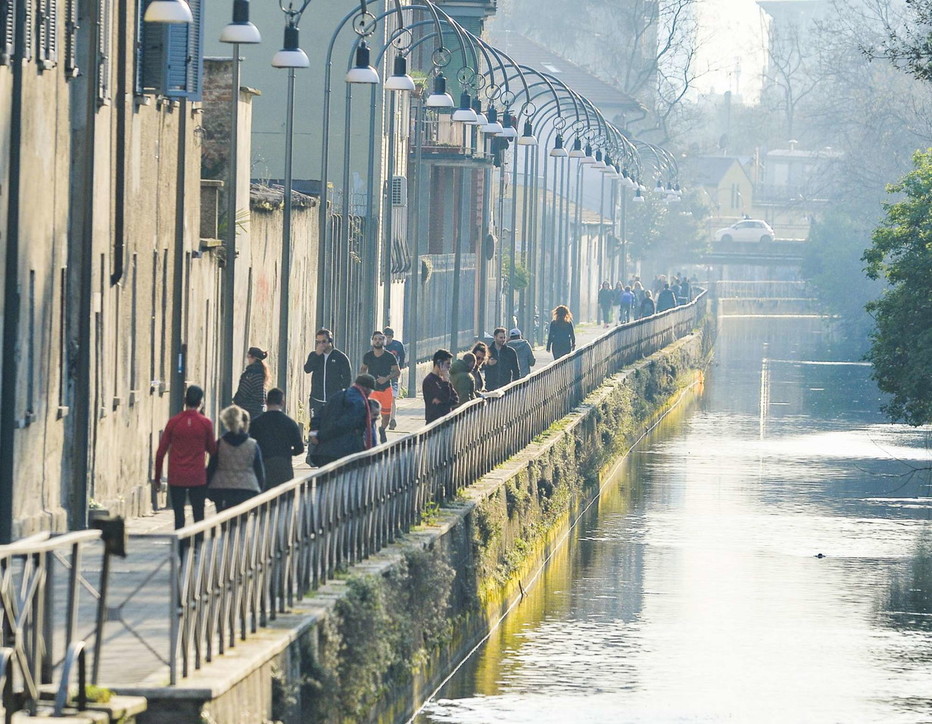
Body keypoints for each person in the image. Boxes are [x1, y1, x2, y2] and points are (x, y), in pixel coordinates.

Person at [153, 385, 217, 533]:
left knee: (179, 517)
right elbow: (212, 450)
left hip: (176, 476)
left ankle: (179, 550)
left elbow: (161, 452)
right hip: (197, 476)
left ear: (184, 400)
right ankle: (197, 548)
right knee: (199, 516)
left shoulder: (174, 422)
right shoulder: (205, 423)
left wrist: (157, 478)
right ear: (201, 402)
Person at [207, 405, 265, 513]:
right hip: (247, 488)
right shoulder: (252, 445)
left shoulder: (220, 443)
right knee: (241, 523)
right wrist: (259, 490)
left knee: (223, 520)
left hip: (222, 488)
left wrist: (208, 489)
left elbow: (211, 467)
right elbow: (259, 471)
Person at [309, 374, 376, 466]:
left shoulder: (337, 396)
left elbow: (318, 416)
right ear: (367, 389)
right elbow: (344, 425)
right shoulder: (360, 403)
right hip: (345, 454)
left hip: (323, 453)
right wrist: (321, 435)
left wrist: (314, 434)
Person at [248, 388, 304, 489]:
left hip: (262, 466)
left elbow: (250, 446)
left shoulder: (256, 423)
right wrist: (287, 452)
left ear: (266, 401)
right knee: (284, 500)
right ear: (282, 402)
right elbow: (300, 449)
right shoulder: (289, 423)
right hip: (284, 466)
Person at [359, 330, 401, 443]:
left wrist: (386, 378)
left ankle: (382, 429)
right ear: (372, 341)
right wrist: (363, 380)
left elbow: (397, 372)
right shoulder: (368, 356)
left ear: (384, 340)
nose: (378, 341)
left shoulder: (389, 356)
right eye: (376, 339)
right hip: (372, 390)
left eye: (380, 339)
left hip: (386, 388)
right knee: (368, 414)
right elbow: (363, 369)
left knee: (386, 416)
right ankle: (369, 435)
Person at [304, 328, 352, 423]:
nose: (321, 344)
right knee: (315, 426)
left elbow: (347, 378)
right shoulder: (314, 355)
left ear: (330, 341)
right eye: (318, 342)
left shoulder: (340, 357)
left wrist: (341, 393)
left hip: (334, 400)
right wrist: (317, 355)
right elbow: (307, 369)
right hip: (316, 399)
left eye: (324, 341)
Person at [233, 346, 269, 422]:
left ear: (253, 357)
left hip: (249, 411)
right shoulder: (261, 373)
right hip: (258, 411)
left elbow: (243, 391)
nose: (248, 359)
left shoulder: (251, 374)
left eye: (248, 356)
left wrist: (235, 402)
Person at [423, 349, 458, 423]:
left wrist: (443, 401)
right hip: (434, 423)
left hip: (446, 421)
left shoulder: (445, 380)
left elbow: (455, 399)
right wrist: (445, 382)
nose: (449, 367)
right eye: (447, 364)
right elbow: (444, 397)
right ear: (439, 363)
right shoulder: (429, 380)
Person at [383, 327, 406, 430]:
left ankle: (392, 419)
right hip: (382, 374)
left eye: (389, 337)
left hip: (393, 375)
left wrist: (399, 369)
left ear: (392, 337)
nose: (387, 340)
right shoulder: (380, 346)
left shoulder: (398, 345)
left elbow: (402, 357)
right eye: (385, 337)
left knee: (392, 397)